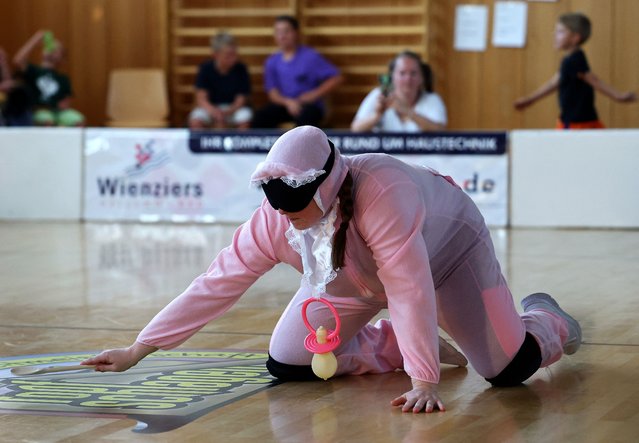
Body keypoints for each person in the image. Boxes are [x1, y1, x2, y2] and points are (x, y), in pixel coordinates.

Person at [83, 125, 582, 414]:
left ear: (325, 187)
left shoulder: (383, 191)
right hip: (351, 286)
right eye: (280, 210)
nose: (288, 220)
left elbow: (409, 287)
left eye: (299, 208)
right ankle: (385, 343)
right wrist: (138, 349)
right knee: (287, 363)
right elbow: (217, 282)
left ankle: (545, 319)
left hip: (447, 258)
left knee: (507, 371)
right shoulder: (276, 219)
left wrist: (424, 379)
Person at [514, 12, 636, 129]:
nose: (554, 34)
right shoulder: (568, 60)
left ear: (575, 37)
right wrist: (530, 99)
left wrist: (618, 96)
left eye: (560, 32)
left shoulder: (575, 60)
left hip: (580, 123)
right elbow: (554, 82)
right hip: (570, 121)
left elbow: (594, 80)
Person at [250, 15, 342, 128]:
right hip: (285, 105)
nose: (282, 36)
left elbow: (336, 78)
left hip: (308, 106)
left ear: (296, 33)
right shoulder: (272, 61)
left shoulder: (310, 56)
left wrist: (314, 94)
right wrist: (288, 102)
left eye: (286, 31)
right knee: (260, 117)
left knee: (307, 120)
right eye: (278, 32)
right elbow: (273, 93)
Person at [351, 51, 447, 132]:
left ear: (422, 78)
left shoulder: (432, 99)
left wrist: (407, 111)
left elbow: (440, 129)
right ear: (392, 77)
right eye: (402, 73)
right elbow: (355, 128)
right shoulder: (379, 95)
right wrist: (376, 116)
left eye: (413, 73)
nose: (408, 78)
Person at [13, 30, 85, 127]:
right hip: (39, 111)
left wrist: (61, 105)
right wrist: (35, 39)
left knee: (78, 120)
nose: (52, 49)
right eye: (50, 46)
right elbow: (18, 60)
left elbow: (66, 101)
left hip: (59, 113)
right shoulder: (34, 71)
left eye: (58, 49)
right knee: (46, 120)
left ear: (62, 59)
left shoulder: (63, 79)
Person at [188, 32, 252, 130]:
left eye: (234, 54)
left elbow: (241, 100)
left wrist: (227, 112)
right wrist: (214, 112)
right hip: (211, 108)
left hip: (233, 109)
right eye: (228, 55)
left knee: (245, 118)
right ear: (216, 55)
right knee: (196, 120)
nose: (233, 58)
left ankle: (240, 145)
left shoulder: (241, 69)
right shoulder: (205, 68)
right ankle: (201, 145)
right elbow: (201, 98)